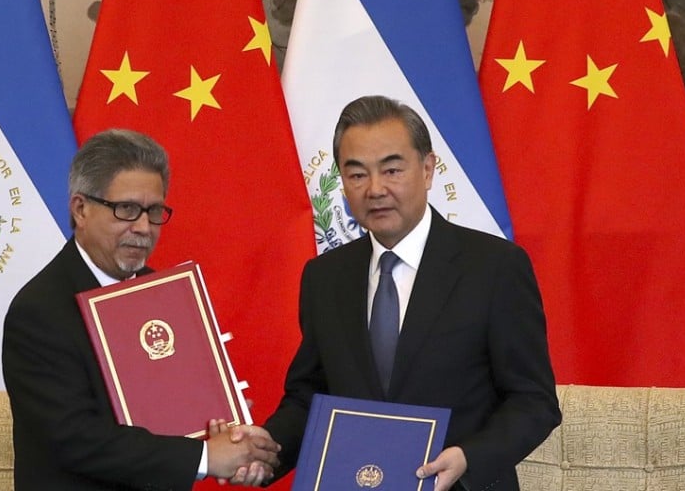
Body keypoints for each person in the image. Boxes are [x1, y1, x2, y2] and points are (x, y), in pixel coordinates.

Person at [229, 95, 560, 491]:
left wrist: (469, 458)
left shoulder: (495, 267)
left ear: (427, 169)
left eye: (392, 169)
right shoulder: (325, 277)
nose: (375, 189)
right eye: (356, 175)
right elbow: (311, 395)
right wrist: (267, 449)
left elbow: (533, 401)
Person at [2, 128, 280, 490]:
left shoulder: (161, 292)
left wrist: (226, 433)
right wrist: (207, 458)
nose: (144, 228)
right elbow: (76, 439)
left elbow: (176, 405)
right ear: (81, 209)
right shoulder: (39, 311)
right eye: (127, 209)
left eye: (153, 211)